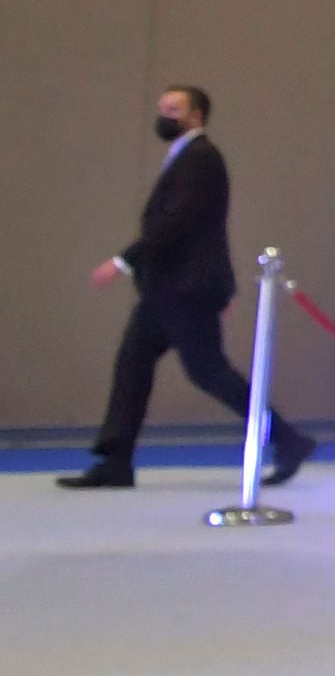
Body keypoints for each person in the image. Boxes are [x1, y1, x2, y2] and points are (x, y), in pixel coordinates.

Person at [65, 83, 304, 492]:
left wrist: (123, 262)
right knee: (133, 364)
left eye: (173, 109)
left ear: (196, 115)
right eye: (162, 107)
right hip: (170, 287)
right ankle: (115, 461)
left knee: (207, 371)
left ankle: (288, 439)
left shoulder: (201, 158)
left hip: (185, 288)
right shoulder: (186, 158)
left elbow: (180, 223)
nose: (164, 115)